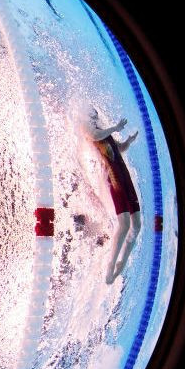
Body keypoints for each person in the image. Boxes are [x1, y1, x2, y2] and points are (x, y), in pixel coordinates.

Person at [81, 106, 141, 284]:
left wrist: (128, 141)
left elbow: (118, 148)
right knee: (124, 224)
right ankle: (111, 264)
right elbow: (94, 137)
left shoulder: (103, 131)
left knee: (137, 224)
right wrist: (114, 128)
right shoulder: (88, 129)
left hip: (124, 175)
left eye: (95, 115)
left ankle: (122, 262)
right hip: (113, 178)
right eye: (93, 115)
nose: (96, 117)